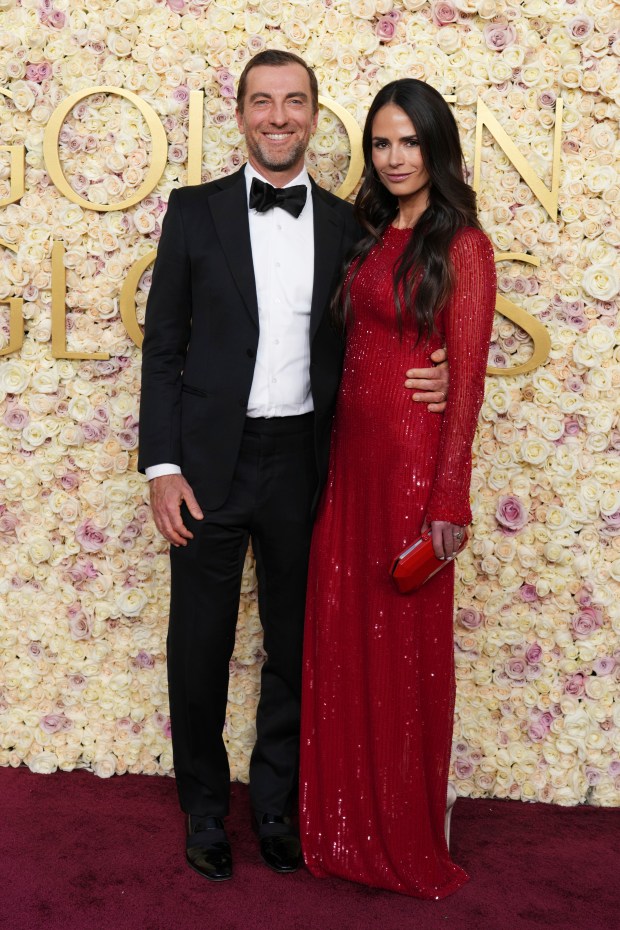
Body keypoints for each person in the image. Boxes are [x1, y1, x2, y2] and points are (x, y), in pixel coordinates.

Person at [138, 52, 449, 883]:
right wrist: (162, 465)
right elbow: (164, 346)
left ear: (315, 116)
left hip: (307, 461)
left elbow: (389, 329)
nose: (278, 117)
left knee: (294, 645)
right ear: (241, 114)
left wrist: (445, 365)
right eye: (262, 102)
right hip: (207, 465)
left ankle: (275, 809)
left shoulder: (352, 228)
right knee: (197, 645)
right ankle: (205, 812)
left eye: (295, 102)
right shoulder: (194, 212)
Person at [300, 79, 497, 898]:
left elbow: (471, 378)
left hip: (414, 473)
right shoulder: (365, 231)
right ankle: (341, 821)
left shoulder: (464, 244)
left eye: (409, 142)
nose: (394, 158)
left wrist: (448, 497)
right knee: (342, 638)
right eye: (382, 143)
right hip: (349, 466)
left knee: (406, 650)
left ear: (436, 147)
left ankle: (405, 825)